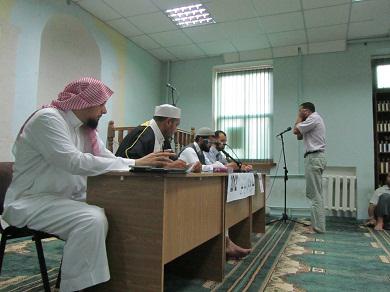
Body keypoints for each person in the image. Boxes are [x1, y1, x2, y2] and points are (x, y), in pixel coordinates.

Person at [1, 77, 173, 292]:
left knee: (125, 208)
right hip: (32, 200)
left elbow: (107, 158)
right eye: (102, 104)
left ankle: (135, 278)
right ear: (85, 102)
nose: (104, 111)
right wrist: (136, 161)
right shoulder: (48, 119)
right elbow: (72, 161)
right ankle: (76, 289)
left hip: (65, 199)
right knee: (91, 220)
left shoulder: (85, 130)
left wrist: (148, 164)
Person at [179, 127, 251, 258]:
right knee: (217, 208)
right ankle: (226, 244)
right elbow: (200, 169)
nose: (211, 145)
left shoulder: (200, 150)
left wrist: (220, 166)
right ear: (200, 139)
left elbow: (204, 167)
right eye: (209, 142)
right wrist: (221, 167)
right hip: (183, 194)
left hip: (196, 191)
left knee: (219, 207)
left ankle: (227, 243)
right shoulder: (190, 150)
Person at [293, 102, 326, 234]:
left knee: (314, 195)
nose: (299, 113)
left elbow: (295, 130)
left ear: (306, 111)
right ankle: (317, 225)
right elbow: (299, 136)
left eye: (300, 111)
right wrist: (301, 120)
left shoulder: (313, 118)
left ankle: (317, 227)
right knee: (315, 194)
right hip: (315, 157)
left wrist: (299, 117)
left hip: (314, 157)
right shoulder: (312, 120)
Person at [115, 104, 180, 159]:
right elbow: (132, 161)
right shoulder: (145, 134)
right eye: (176, 125)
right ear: (169, 122)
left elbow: (170, 159)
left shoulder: (163, 137)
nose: (176, 130)